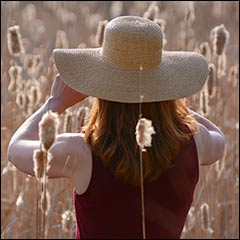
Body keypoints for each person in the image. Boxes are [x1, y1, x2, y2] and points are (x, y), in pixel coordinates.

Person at [7, 16, 225, 239]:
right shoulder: (196, 142)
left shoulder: (80, 153)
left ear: (103, 87)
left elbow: (15, 149)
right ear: (164, 87)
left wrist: (55, 104)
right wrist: (172, 105)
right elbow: (220, 138)